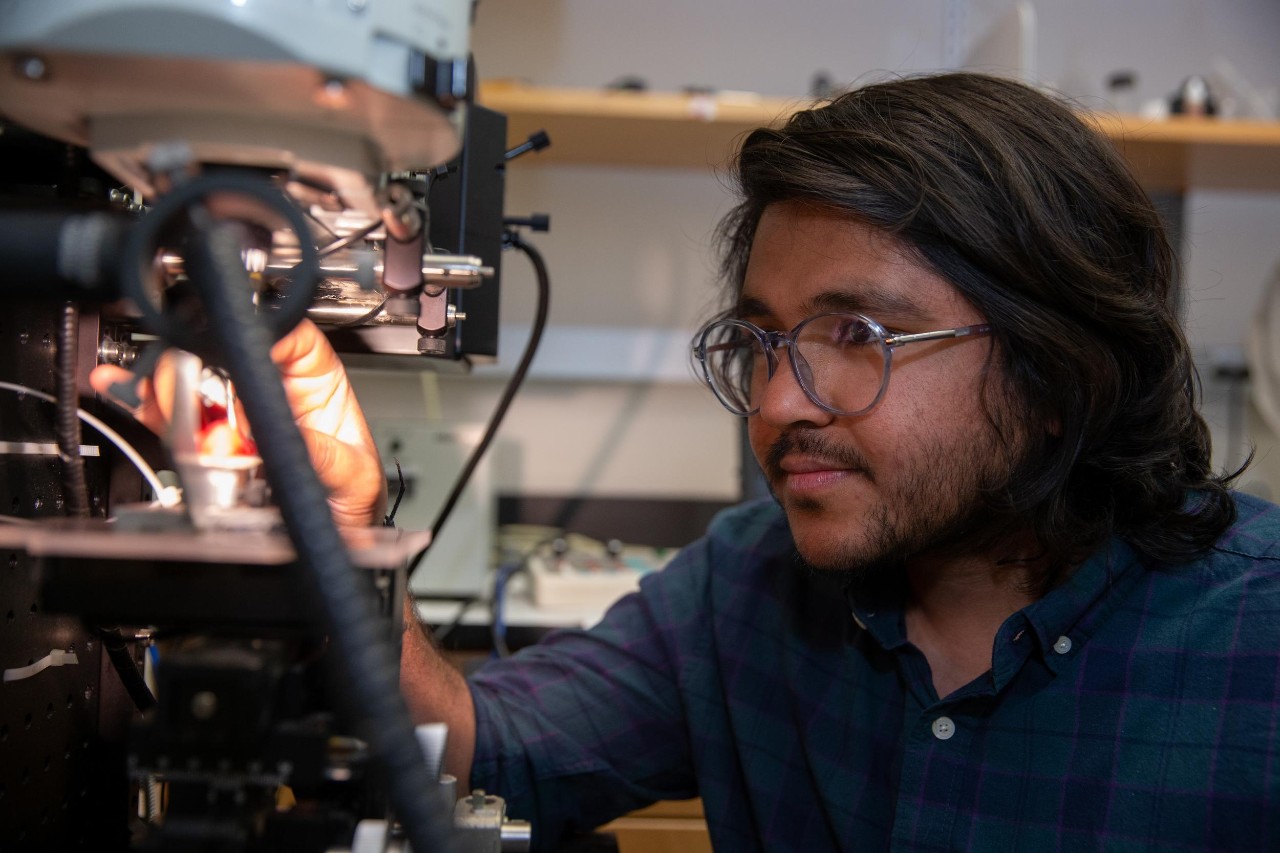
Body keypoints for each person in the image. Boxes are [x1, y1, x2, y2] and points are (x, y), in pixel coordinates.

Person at [93, 71, 1280, 851]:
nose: (774, 403)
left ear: (1053, 368)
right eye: (761, 341)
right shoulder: (748, 584)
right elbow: (484, 749)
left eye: (853, 336)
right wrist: (336, 519)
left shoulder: (1255, 644)